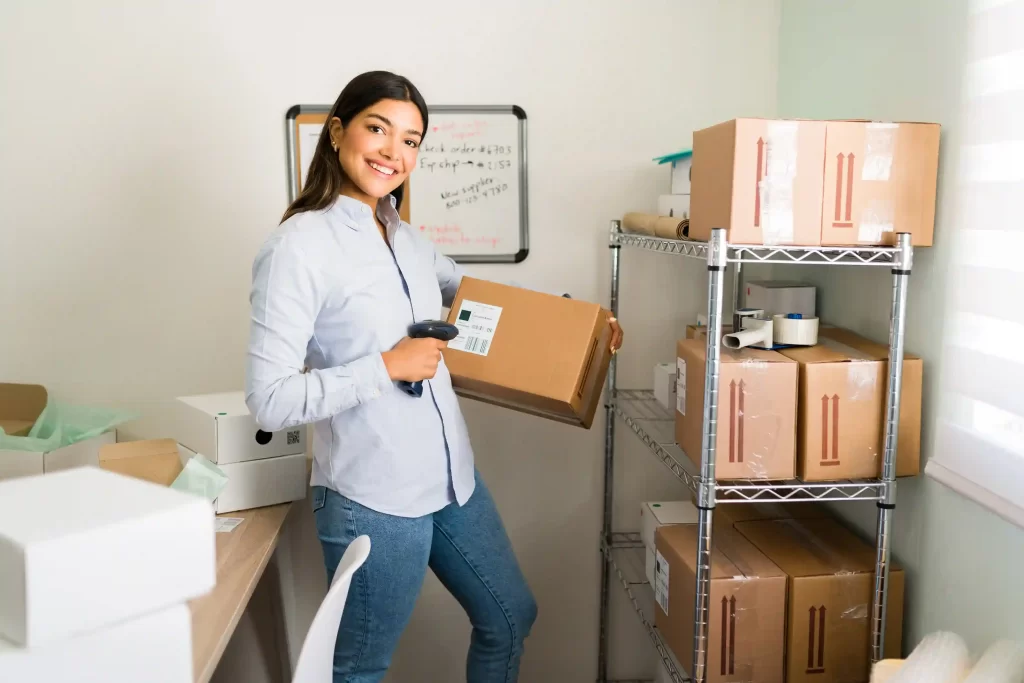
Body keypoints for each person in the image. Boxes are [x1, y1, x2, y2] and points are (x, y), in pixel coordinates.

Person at [245, 70, 623, 683]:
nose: (395, 153)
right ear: (338, 130)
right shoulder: (297, 249)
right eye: (379, 129)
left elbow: (481, 301)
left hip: (452, 480)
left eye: (413, 141)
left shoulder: (409, 240)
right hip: (372, 495)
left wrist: (580, 329)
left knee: (509, 618)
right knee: (362, 669)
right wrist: (386, 365)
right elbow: (269, 401)